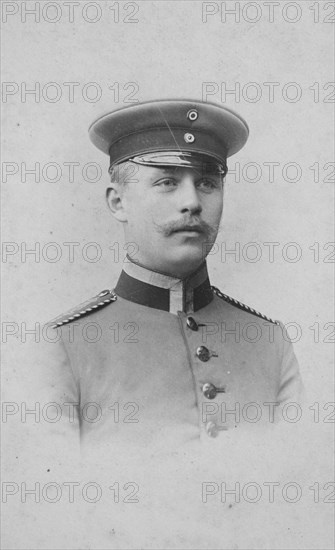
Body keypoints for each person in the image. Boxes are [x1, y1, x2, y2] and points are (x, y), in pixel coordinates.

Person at [45, 99, 303, 451]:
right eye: (167, 182)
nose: (192, 202)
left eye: (208, 183)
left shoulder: (270, 342)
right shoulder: (62, 346)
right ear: (118, 202)